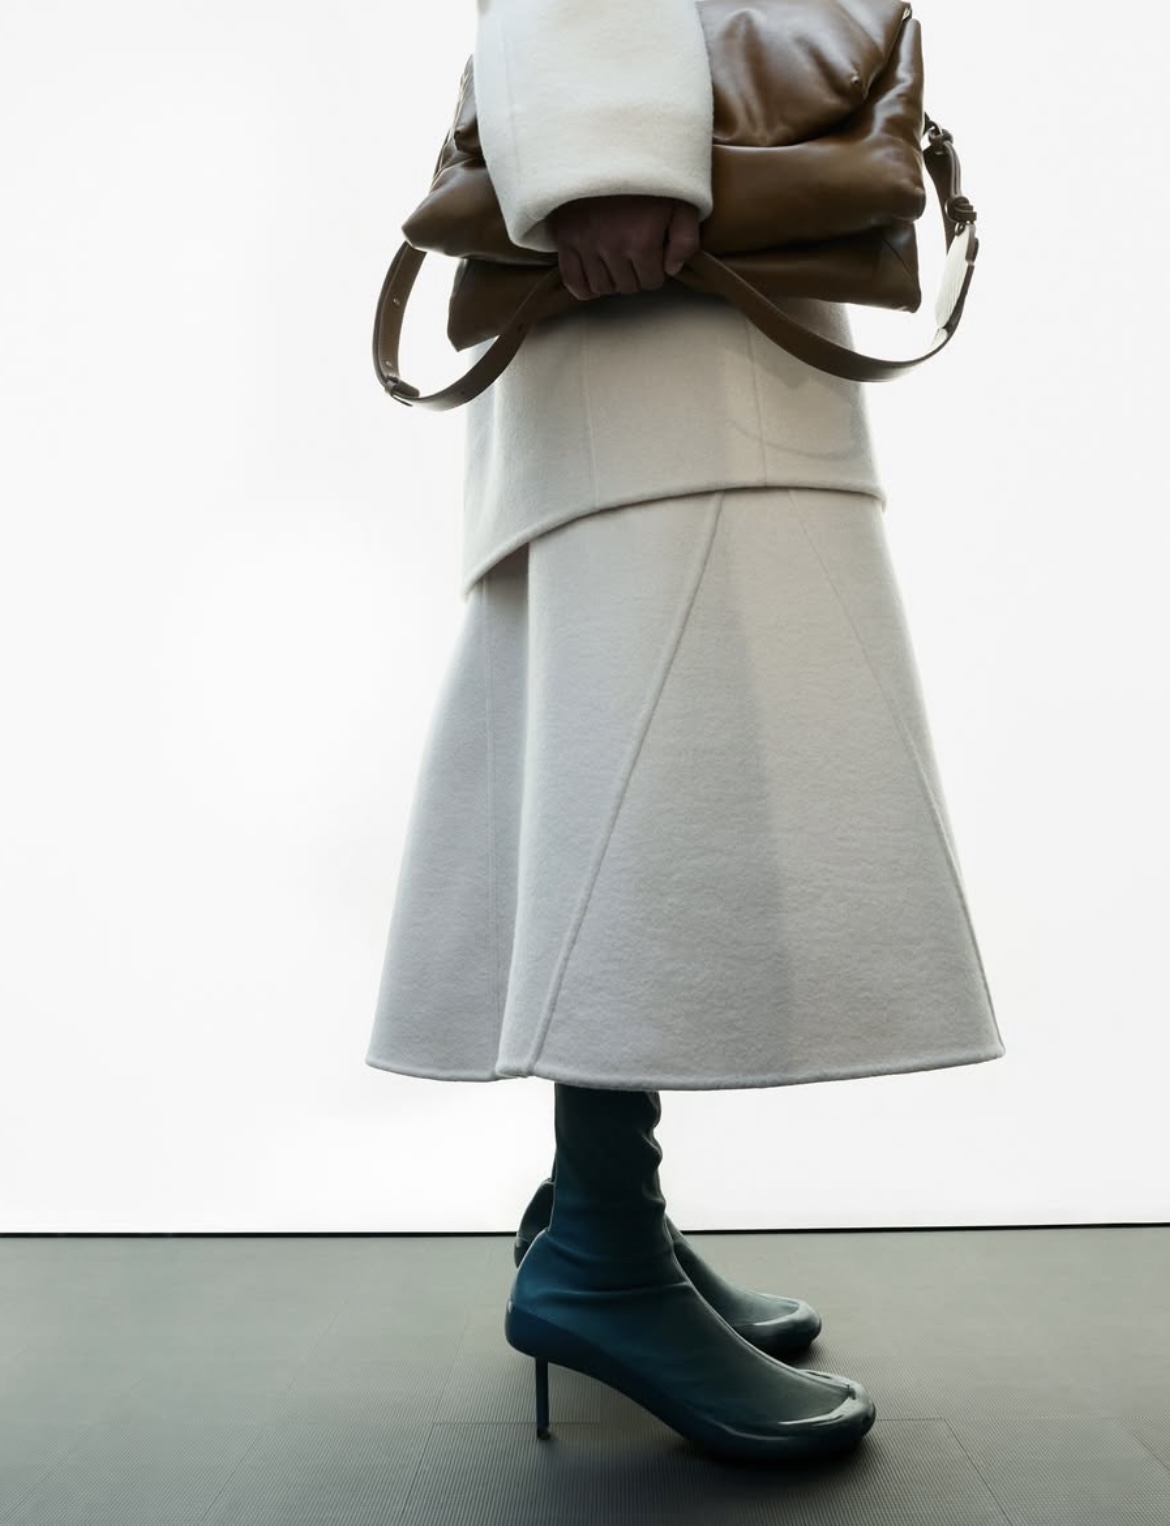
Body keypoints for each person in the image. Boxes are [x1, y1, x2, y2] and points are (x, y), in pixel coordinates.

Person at [365, 0, 1006, 1464]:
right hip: (651, 240)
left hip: (697, 226)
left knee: (629, 742)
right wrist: (604, 154)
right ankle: (599, 1248)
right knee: (641, 754)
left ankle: (608, 1213)